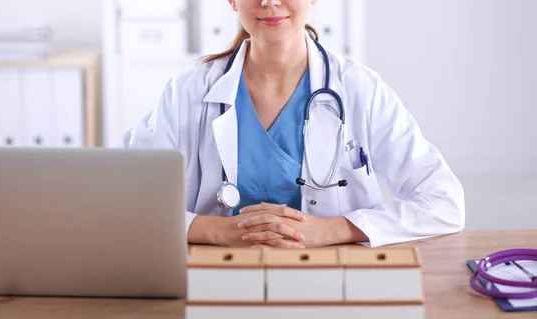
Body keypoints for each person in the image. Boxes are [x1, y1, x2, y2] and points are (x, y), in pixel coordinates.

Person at [121, 0, 465, 248]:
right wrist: (219, 230)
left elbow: (444, 202)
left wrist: (333, 230)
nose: (270, 2)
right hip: (217, 270)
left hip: (334, 272)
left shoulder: (360, 88)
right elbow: (123, 199)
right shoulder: (188, 92)